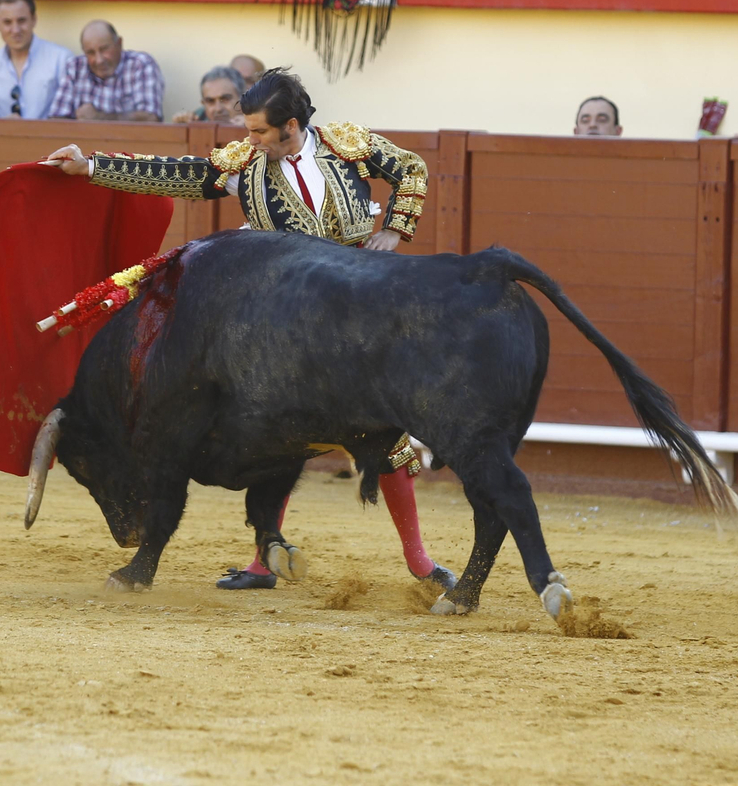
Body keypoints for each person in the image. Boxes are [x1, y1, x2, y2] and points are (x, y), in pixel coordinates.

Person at [41, 69, 455, 593]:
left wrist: (394, 231)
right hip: (287, 324)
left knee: (387, 435)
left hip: (358, 315)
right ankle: (263, 561)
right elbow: (176, 174)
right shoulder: (245, 166)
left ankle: (420, 562)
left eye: (259, 131)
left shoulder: (346, 144)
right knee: (278, 434)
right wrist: (91, 166)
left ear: (290, 125)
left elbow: (411, 168)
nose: (249, 140)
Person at [0, 0, 75, 119]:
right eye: (7, 22)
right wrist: (2, 126)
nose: (15, 30)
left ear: (34, 20)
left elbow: (70, 117)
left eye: (21, 21)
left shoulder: (61, 59)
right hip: (4, 139)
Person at [49, 20, 165, 121]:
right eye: (90, 53)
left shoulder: (141, 65)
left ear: (119, 44)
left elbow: (151, 118)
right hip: (84, 145)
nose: (99, 60)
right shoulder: (75, 67)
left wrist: (99, 117)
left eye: (104, 49)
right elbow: (56, 120)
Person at [170, 66, 244, 122]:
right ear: (203, 104)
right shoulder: (197, 118)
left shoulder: (254, 119)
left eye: (225, 99)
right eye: (210, 101)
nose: (218, 109)